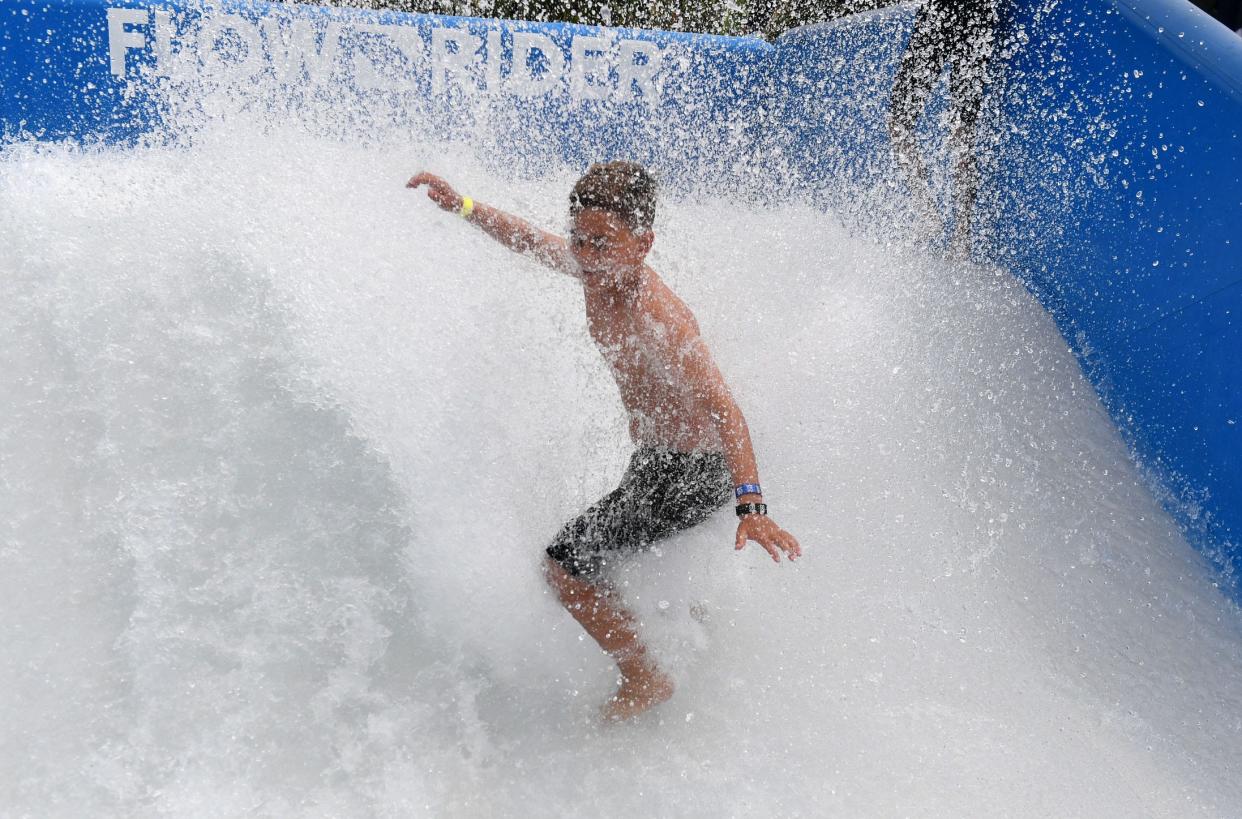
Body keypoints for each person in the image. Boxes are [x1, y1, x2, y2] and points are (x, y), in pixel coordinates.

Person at [406, 162, 802, 721]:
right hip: (656, 465)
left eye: (603, 244)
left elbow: (726, 409)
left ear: (642, 245)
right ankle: (685, 640)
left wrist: (753, 505)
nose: (586, 256)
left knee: (565, 565)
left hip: (694, 471)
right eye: (580, 239)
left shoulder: (660, 315)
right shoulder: (597, 270)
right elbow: (526, 238)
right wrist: (463, 206)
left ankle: (646, 676)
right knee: (617, 560)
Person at [889, 0, 1001, 253]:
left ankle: (929, 214)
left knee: (900, 122)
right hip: (978, 14)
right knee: (963, 129)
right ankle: (961, 233)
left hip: (943, 12)